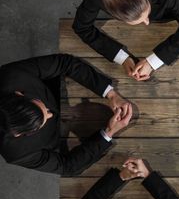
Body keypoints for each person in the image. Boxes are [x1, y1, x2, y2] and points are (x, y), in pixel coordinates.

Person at [0, 54, 132, 175]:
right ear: (18, 134)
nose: (50, 114)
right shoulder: (16, 152)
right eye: (40, 124)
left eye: (41, 104)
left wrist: (111, 94)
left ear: (19, 94)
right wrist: (108, 133)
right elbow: (67, 167)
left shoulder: (11, 76)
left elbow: (64, 62)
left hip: (59, 87)